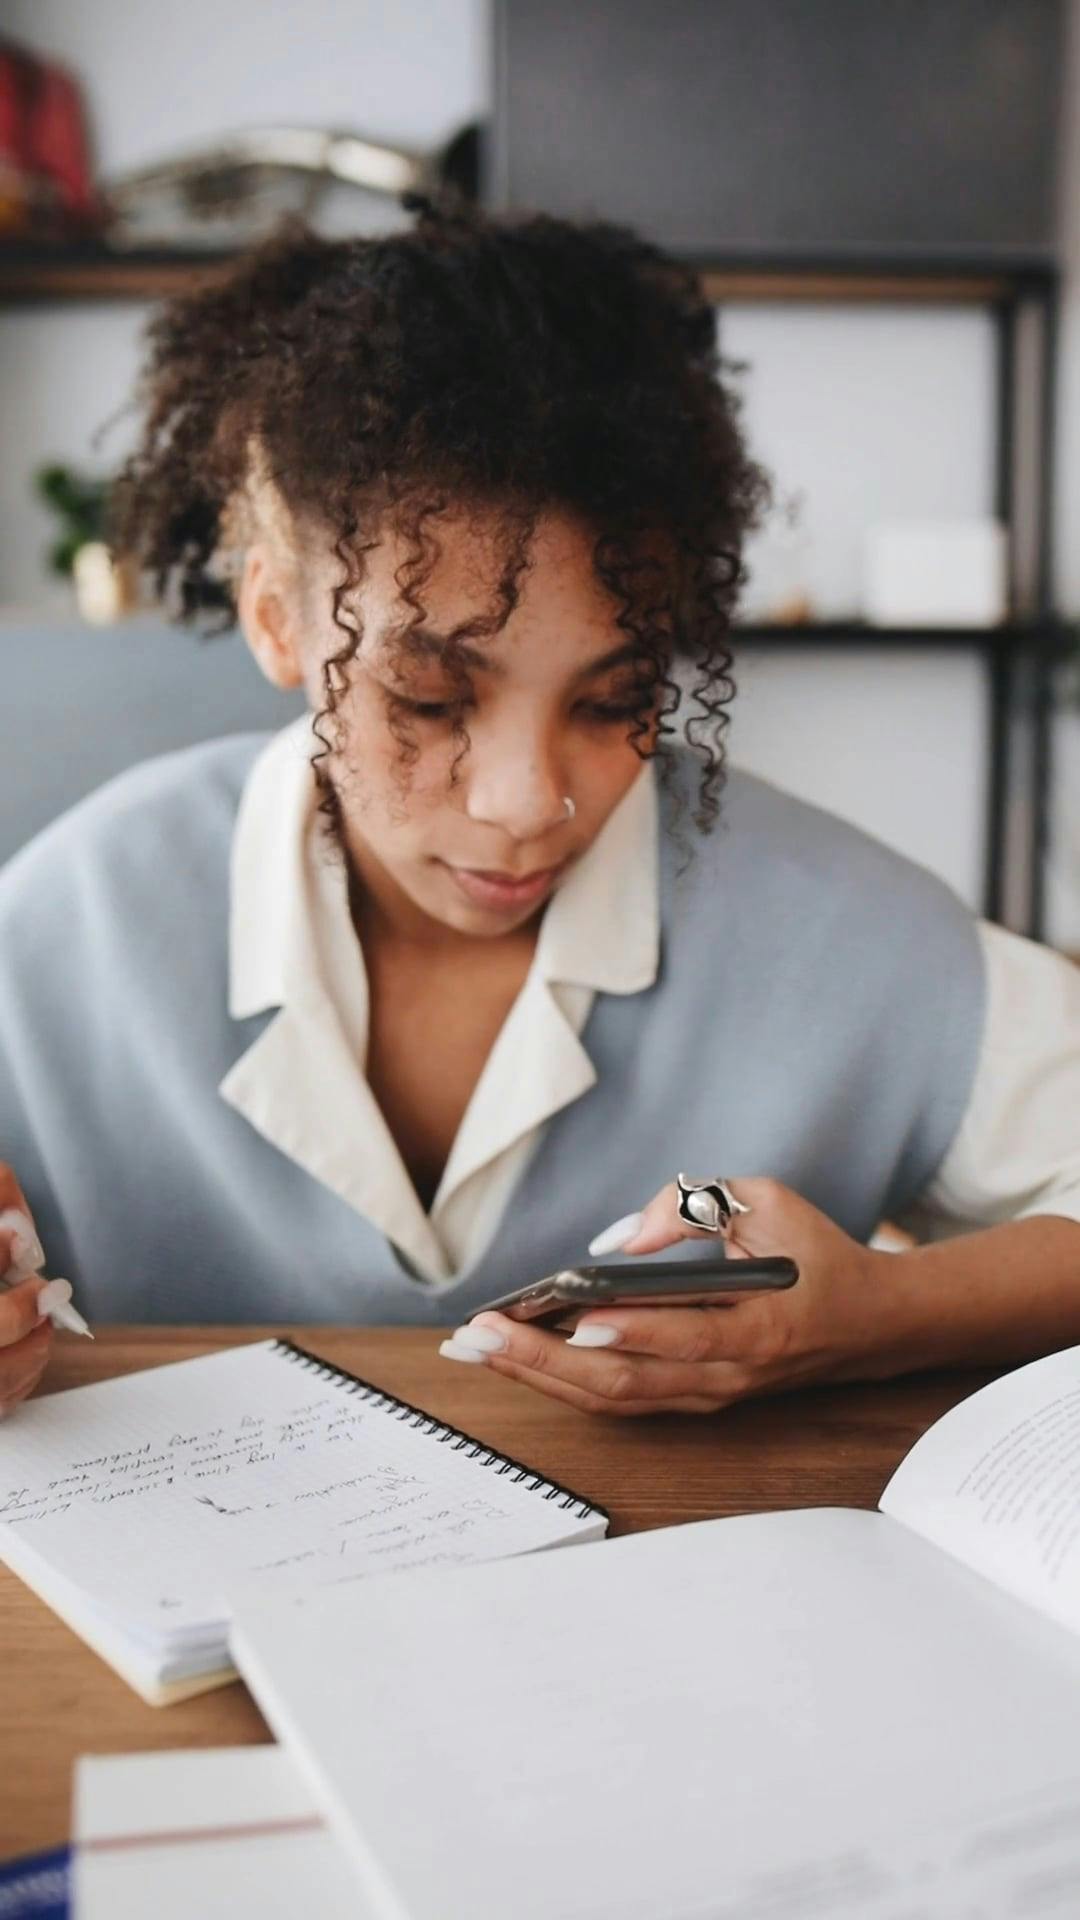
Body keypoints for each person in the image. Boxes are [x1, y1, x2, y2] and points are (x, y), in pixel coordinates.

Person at [2, 199, 1080, 1423]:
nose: (528, 803)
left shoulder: (852, 933)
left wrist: (883, 1318)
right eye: (429, 695)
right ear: (275, 618)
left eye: (616, 697)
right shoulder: (56, 931)